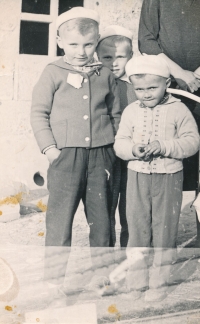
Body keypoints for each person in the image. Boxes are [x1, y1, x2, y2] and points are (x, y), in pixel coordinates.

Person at [30, 7, 121, 303]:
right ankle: (53, 281)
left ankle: (102, 276)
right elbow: (38, 113)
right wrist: (51, 149)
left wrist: (114, 148)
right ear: (59, 41)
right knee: (59, 222)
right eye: (73, 44)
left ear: (96, 43)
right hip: (65, 158)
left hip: (101, 158)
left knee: (103, 219)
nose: (81, 51)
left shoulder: (105, 74)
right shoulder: (52, 72)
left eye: (88, 44)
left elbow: (115, 113)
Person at [114, 55, 200, 301]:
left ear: (167, 82)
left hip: (168, 178)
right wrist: (133, 150)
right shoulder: (131, 112)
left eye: (152, 87)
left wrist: (163, 146)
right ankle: (136, 282)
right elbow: (120, 143)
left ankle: (159, 283)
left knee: (164, 231)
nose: (146, 94)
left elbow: (192, 142)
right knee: (137, 229)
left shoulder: (178, 109)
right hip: (137, 178)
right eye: (139, 89)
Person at [138, 0, 200, 244]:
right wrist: (179, 73)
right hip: (172, 88)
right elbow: (147, 40)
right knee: (170, 163)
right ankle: (163, 241)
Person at [97, 25, 136, 247]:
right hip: (107, 153)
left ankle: (129, 250)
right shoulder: (96, 84)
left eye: (121, 56)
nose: (114, 62)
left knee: (131, 204)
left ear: (131, 56)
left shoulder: (137, 85)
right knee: (106, 205)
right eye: (107, 57)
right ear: (97, 56)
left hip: (131, 153)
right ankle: (108, 253)